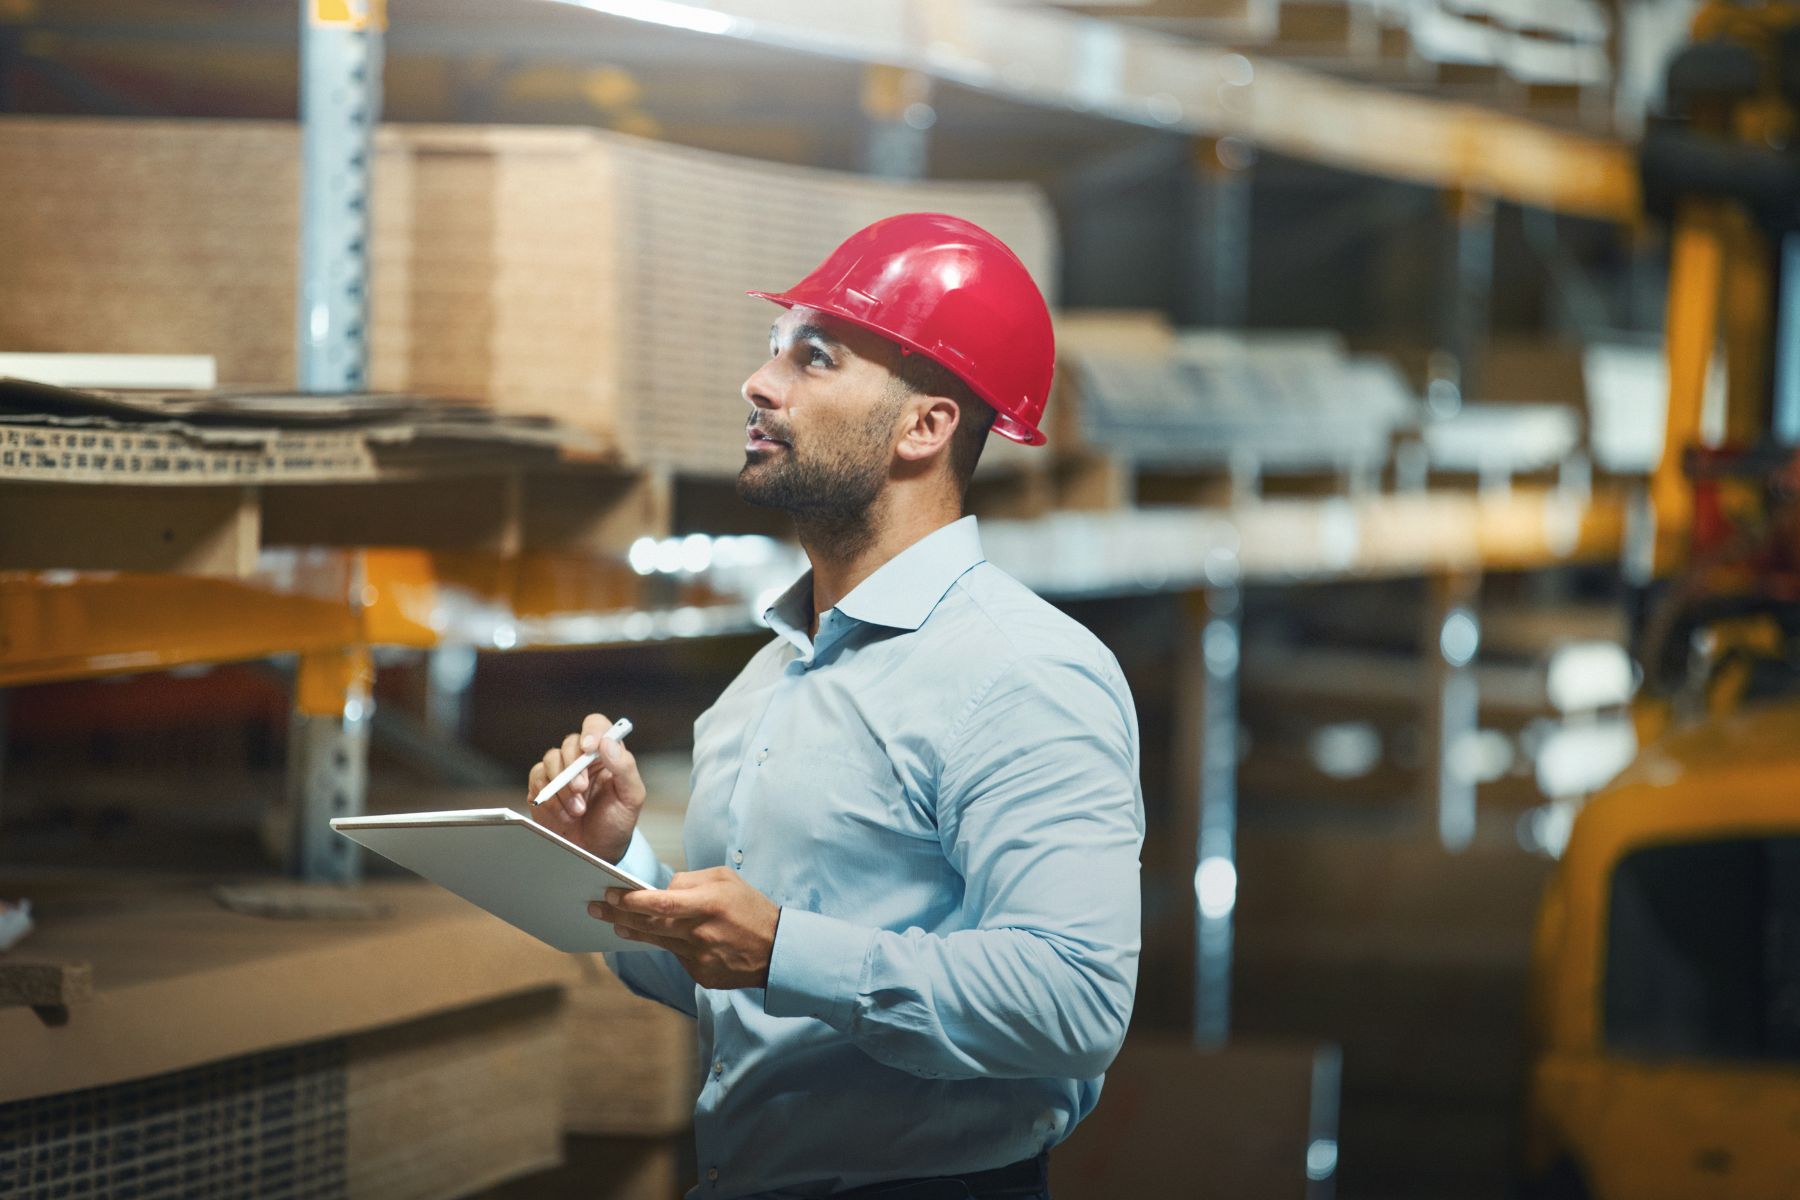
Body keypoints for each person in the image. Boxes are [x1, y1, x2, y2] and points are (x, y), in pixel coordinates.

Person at [527, 213, 1143, 1200]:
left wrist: (783, 948)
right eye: (773, 351)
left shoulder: (1023, 671)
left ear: (926, 427)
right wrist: (618, 865)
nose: (760, 385)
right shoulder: (767, 683)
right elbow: (737, 983)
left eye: (814, 358)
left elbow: (1073, 1000)